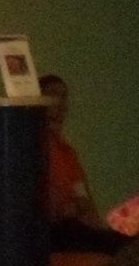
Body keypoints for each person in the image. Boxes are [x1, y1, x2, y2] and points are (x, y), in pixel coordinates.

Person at [42, 73, 124, 252]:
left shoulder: (68, 153)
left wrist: (96, 224)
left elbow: (83, 199)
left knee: (125, 241)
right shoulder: (36, 149)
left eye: (64, 97)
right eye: (53, 95)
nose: (60, 103)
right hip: (53, 231)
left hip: (74, 226)